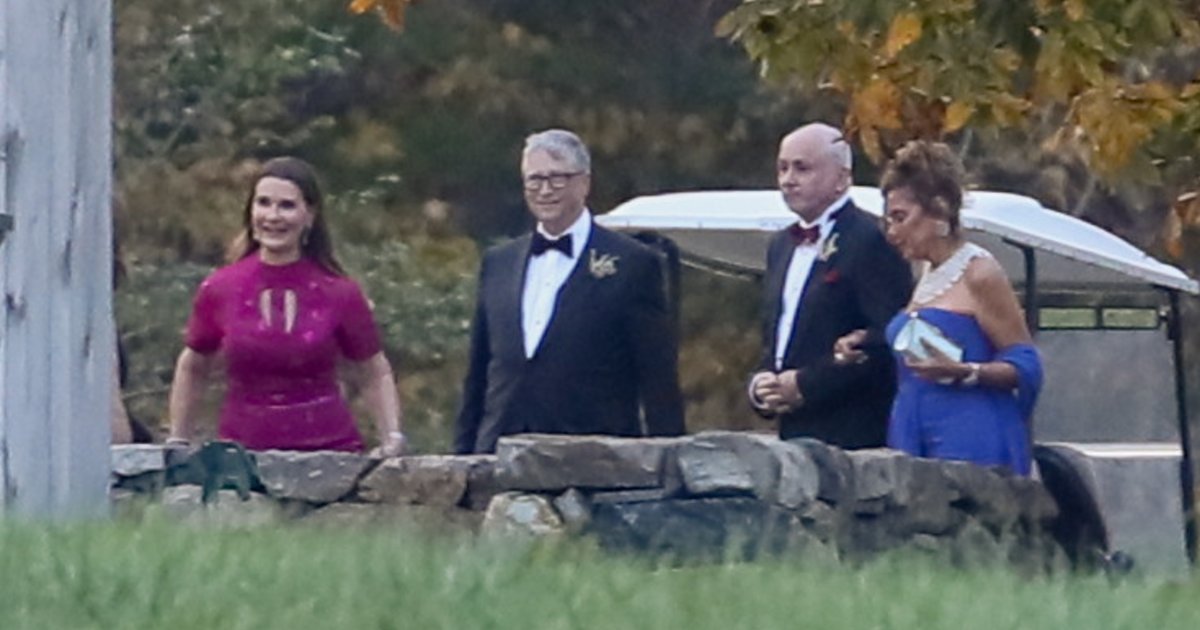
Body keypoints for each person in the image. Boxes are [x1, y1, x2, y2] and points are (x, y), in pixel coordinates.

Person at [453, 129, 685, 454]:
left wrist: (669, 459)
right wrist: (462, 459)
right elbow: (479, 373)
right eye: (534, 180)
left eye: (557, 179)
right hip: (498, 452)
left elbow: (657, 379)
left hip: (592, 457)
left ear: (584, 183)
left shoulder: (633, 263)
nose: (545, 190)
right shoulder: (499, 262)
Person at [166, 157, 405, 456]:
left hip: (330, 457)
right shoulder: (220, 288)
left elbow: (373, 371)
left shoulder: (340, 292)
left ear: (310, 215)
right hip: (242, 460)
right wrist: (178, 440)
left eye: (287, 206)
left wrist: (392, 438)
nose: (273, 216)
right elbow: (193, 366)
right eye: (263, 203)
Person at [834, 140, 1042, 475]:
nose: (892, 233)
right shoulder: (925, 274)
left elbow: (1027, 363)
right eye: (888, 221)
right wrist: (866, 340)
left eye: (900, 218)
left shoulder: (979, 272)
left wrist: (966, 372)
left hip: (970, 434)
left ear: (939, 210)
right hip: (916, 430)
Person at [748, 123, 913, 449]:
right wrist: (761, 384)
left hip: (852, 434)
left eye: (802, 168)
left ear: (842, 179)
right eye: (782, 168)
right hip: (792, 432)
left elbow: (890, 337)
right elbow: (776, 335)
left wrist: (806, 384)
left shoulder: (870, 239)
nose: (788, 179)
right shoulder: (780, 246)